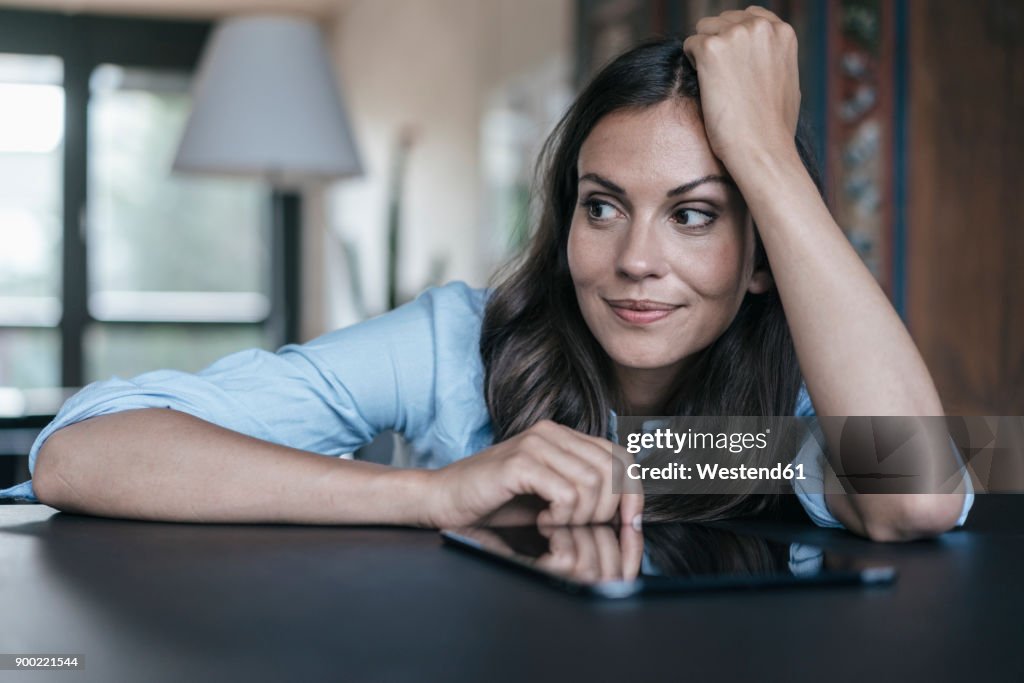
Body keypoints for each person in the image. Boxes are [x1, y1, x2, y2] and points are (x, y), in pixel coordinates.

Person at [3, 6, 971, 541]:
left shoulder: (805, 398)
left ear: (759, 254)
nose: (636, 258)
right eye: (601, 205)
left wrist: (765, 154)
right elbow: (78, 451)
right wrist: (433, 491)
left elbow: (917, 495)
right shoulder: (457, 344)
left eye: (695, 213)